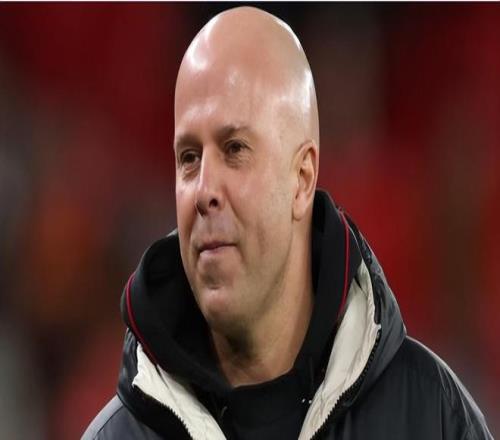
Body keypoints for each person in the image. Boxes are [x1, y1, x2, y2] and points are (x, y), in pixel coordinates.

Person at [83, 6, 492, 440]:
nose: (204, 190)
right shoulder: (118, 436)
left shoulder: (432, 417)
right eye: (189, 158)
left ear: (302, 178)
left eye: (234, 149)